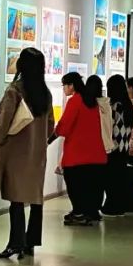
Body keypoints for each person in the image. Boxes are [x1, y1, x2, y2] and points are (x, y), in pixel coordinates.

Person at [0, 47, 56, 260]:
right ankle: (31, 242)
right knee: (36, 198)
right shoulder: (45, 93)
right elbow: (50, 125)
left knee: (16, 199)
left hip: (15, 151)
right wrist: (40, 141)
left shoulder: (15, 91)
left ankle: (15, 243)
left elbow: (3, 122)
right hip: (37, 153)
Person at [51, 72, 107, 226]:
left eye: (64, 85)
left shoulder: (75, 100)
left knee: (75, 184)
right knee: (92, 185)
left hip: (77, 153)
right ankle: (91, 212)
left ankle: (79, 212)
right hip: (97, 153)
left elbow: (64, 126)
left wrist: (49, 139)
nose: (63, 89)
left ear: (71, 86)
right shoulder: (93, 101)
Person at [102, 75, 133, 216]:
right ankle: (120, 206)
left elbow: (109, 127)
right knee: (119, 178)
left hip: (113, 147)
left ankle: (113, 207)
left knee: (111, 179)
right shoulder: (129, 106)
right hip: (124, 148)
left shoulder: (114, 106)